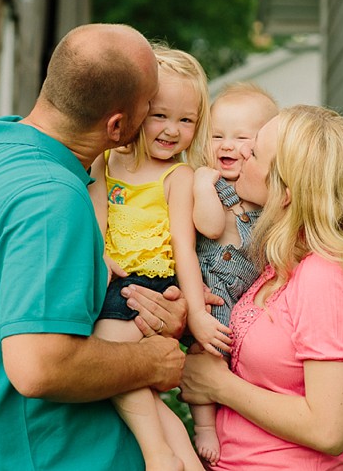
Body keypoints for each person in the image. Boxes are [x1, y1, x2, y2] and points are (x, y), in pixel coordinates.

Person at [0, 24, 191, 470]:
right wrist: (148, 362)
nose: (153, 113)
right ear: (117, 125)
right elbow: (39, 366)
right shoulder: (52, 197)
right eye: (148, 105)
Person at [179, 104, 343, 470]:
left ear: (285, 191)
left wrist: (218, 385)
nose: (241, 153)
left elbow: (329, 429)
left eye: (254, 152)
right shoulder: (279, 262)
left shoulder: (327, 278)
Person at [88, 46, 226, 471]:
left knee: (108, 361)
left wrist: (198, 315)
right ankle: (182, 458)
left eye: (186, 120)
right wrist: (97, 258)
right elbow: (96, 221)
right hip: (112, 280)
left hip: (149, 286)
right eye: (160, 115)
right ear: (135, 112)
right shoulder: (105, 160)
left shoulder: (177, 176)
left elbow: (184, 248)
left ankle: (157, 456)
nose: (171, 130)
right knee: (138, 388)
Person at [189, 82, 279, 464]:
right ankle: (204, 425)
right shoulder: (214, 184)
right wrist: (202, 186)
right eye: (217, 136)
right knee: (207, 353)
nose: (226, 145)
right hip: (217, 288)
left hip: (249, 292)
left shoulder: (267, 195)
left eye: (242, 138)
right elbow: (209, 227)